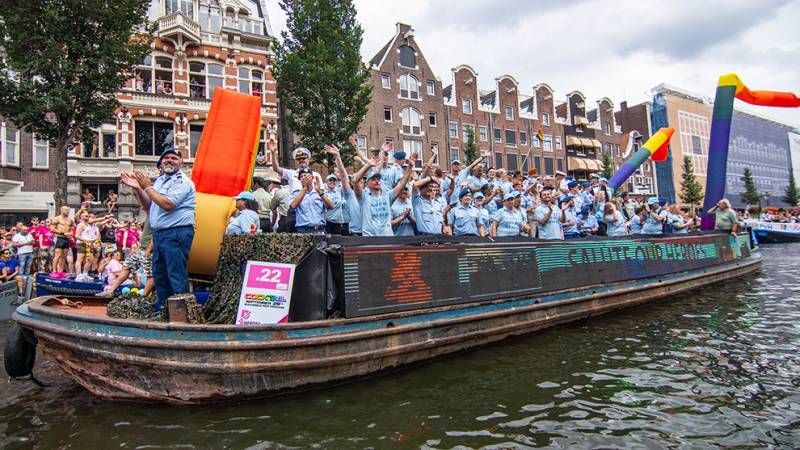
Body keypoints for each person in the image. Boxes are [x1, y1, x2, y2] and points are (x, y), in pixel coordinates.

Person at [121, 148, 196, 308]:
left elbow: (167, 204)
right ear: (161, 163)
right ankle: (164, 308)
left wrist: (147, 187)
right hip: (160, 234)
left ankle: (181, 312)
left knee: (175, 273)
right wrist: (138, 189)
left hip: (177, 232)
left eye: (174, 158)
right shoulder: (161, 181)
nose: (170, 160)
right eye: (166, 158)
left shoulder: (182, 181)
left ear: (181, 162)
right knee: (159, 274)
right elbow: (149, 205)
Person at [354, 151, 416, 237]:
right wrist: (368, 165)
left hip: (388, 238)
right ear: (367, 183)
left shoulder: (387, 196)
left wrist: (410, 167)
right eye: (373, 179)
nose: (377, 181)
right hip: (370, 239)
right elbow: (355, 181)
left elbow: (402, 184)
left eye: (378, 179)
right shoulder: (363, 197)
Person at [290, 167, 334, 234]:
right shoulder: (296, 193)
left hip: (319, 229)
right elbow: (293, 206)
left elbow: (331, 206)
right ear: (299, 180)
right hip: (303, 230)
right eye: (301, 176)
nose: (304, 178)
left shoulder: (320, 192)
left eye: (307, 176)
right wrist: (304, 189)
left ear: (312, 178)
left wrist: (319, 191)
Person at [51, 205, 75, 274]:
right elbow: (52, 229)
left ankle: (60, 271)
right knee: (57, 255)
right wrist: (63, 233)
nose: (67, 211)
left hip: (66, 239)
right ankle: (54, 271)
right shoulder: (57, 218)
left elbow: (71, 229)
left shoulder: (70, 220)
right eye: (66, 210)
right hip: (59, 237)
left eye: (68, 210)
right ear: (61, 210)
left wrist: (70, 236)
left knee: (64, 256)